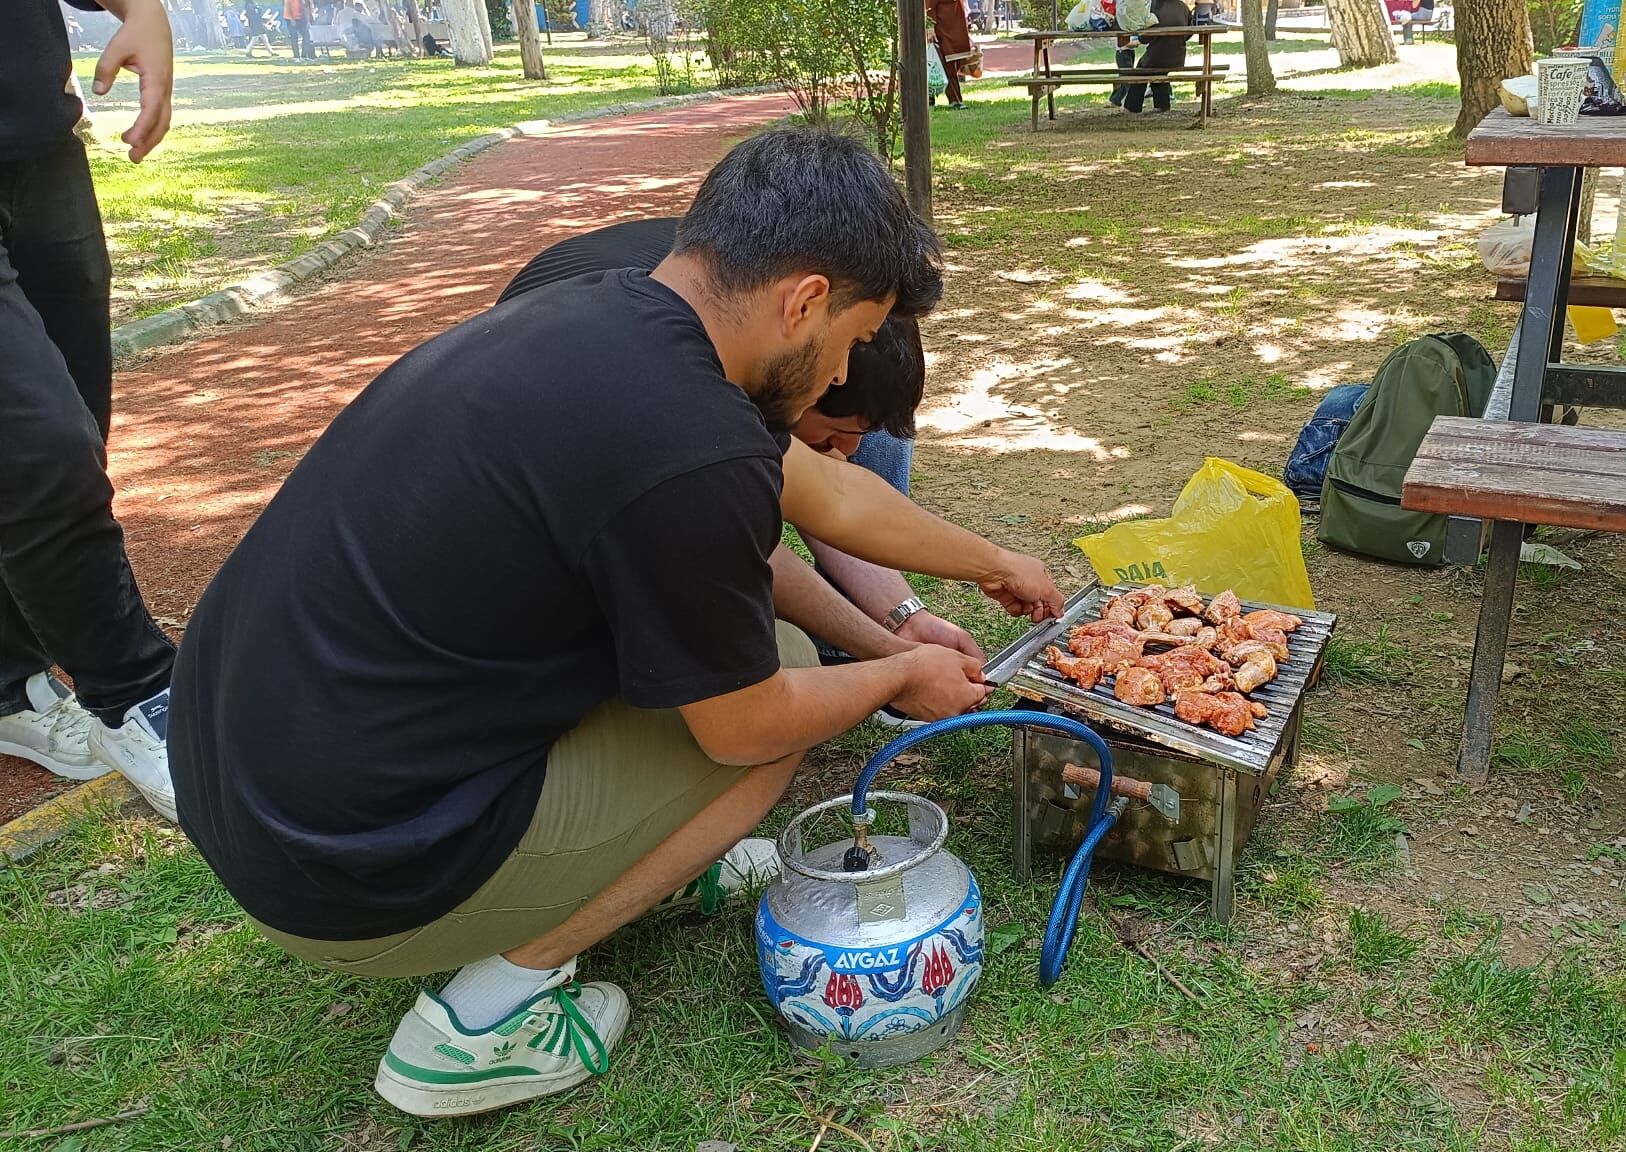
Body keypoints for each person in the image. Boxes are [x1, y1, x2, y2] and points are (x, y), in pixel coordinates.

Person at [168, 128, 1063, 1118]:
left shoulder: (610, 313)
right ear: (805, 300)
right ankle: (478, 1026)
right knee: (775, 710)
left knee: (759, 652)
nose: (844, 369)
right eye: (855, 340)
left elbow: (826, 502)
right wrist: (894, 679)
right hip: (343, 873)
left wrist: (991, 570)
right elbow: (746, 724)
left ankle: (634, 857)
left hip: (245, 783)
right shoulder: (691, 439)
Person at [496, 219, 978, 671]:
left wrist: (904, 618)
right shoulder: (692, 395)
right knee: (782, 652)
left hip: (593, 333)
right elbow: (750, 548)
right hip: (548, 504)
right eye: (834, 434)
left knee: (879, 438)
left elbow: (831, 491)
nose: (845, 453)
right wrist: (889, 656)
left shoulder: (759, 305)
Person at [0, 0, 180, 821]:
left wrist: (142, 9)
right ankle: (139, 695)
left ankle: (10, 686)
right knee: (41, 446)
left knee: (73, 420)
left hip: (41, 143)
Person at [1120, 0, 1190, 115]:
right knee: (1158, 71)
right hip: (1178, 55)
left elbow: (1148, 32)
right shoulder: (1183, 7)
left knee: (1141, 71)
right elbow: (1189, 30)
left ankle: (1132, 107)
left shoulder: (1156, 5)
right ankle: (1162, 105)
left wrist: (1140, 39)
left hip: (1158, 55)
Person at [928, 0, 971, 109]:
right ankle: (954, 99)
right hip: (942, 29)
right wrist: (930, 28)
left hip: (956, 26)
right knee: (947, 64)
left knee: (954, 62)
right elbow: (929, 7)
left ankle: (931, 96)